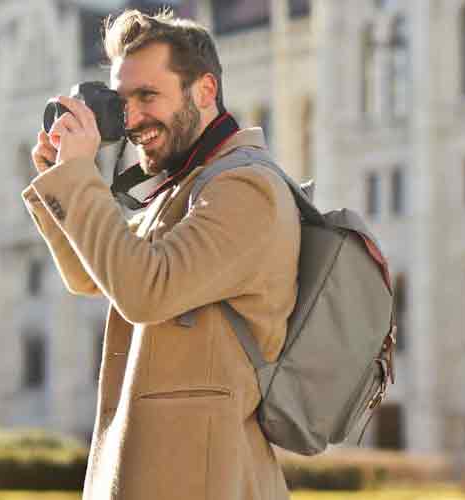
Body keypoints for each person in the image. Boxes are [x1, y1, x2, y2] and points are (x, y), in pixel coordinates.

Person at [22, 8, 300, 500]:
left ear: (205, 91)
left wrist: (80, 177)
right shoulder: (184, 190)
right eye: (123, 100)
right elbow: (94, 276)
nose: (131, 119)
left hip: (208, 480)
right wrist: (57, 180)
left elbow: (144, 292)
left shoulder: (245, 188)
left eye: (148, 95)